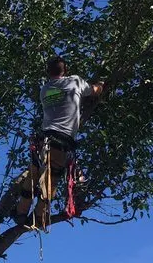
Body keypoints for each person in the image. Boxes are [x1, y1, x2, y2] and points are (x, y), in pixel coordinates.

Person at [13, 57, 104, 227]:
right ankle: (39, 218)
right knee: (50, 181)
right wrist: (101, 84)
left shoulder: (45, 89)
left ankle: (20, 212)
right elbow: (94, 90)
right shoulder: (75, 82)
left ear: (48, 72)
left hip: (43, 141)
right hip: (61, 142)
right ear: (65, 70)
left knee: (33, 177)